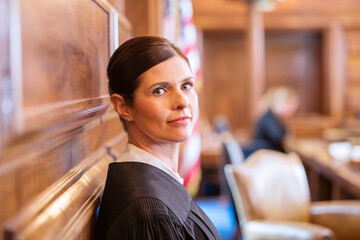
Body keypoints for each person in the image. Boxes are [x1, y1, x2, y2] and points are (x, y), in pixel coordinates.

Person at [95, 36, 220, 240]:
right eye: (159, 90)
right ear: (124, 107)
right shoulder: (148, 214)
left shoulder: (155, 180)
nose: (182, 102)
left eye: (186, 86)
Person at [243, 86, 299, 158]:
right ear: (279, 103)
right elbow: (278, 138)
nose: (292, 111)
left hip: (272, 155)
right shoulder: (268, 117)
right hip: (267, 158)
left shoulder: (275, 118)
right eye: (289, 105)